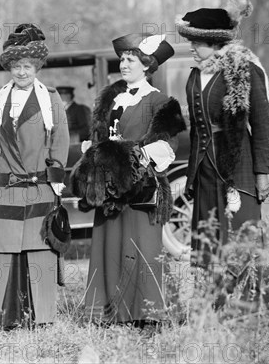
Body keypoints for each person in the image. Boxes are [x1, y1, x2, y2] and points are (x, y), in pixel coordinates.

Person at [72, 33, 186, 328]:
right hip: (108, 190)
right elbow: (96, 137)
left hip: (141, 190)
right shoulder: (109, 98)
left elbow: (167, 147)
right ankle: (110, 312)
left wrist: (129, 156)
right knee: (109, 246)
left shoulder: (162, 102)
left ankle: (149, 314)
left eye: (130, 60)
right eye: (122, 59)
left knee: (142, 247)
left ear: (146, 66)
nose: (123, 64)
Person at [0, 23, 69, 329]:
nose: (21, 72)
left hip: (40, 186)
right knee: (6, 251)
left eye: (27, 66)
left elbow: (60, 137)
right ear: (10, 68)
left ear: (37, 67)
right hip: (8, 188)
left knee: (39, 250)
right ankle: (7, 316)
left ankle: (42, 316)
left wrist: (56, 173)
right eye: (17, 67)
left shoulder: (51, 98)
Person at [175, 0, 269, 264]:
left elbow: (263, 124)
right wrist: (192, 175)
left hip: (237, 167)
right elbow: (197, 127)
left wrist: (262, 174)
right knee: (209, 243)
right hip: (205, 170)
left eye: (197, 44)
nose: (192, 49)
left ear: (215, 43)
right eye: (191, 43)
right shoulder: (195, 75)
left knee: (240, 240)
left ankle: (248, 304)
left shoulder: (244, 70)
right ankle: (212, 304)